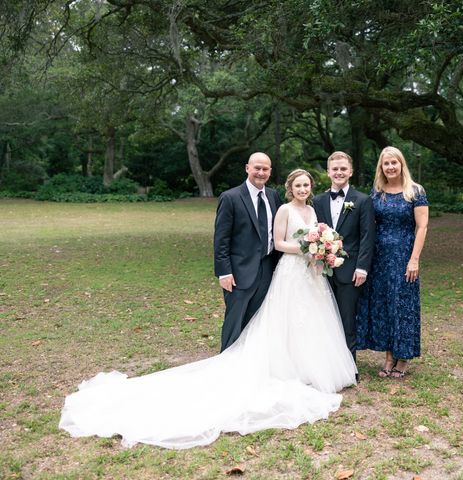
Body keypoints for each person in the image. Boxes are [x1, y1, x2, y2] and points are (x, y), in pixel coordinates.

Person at [59, 169, 357, 449]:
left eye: (306, 185)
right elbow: (278, 242)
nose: (303, 189)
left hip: (309, 275)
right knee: (283, 320)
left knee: (310, 321)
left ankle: (309, 368)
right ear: (289, 188)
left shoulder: (311, 210)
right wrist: (308, 246)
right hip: (291, 271)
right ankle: (270, 364)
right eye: (297, 185)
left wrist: (321, 252)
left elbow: (306, 237)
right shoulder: (282, 208)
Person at [356, 146, 429, 378]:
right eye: (386, 163)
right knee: (385, 305)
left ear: (401, 164)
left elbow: (422, 226)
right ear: (381, 167)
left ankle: (403, 358)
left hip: (404, 255)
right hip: (380, 258)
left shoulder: (415, 191)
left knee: (403, 305)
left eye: (393, 163)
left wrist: (414, 260)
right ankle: (389, 356)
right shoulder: (378, 192)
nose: (390, 167)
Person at [314, 151, 375, 376]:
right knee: (324, 318)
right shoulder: (318, 200)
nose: (339, 172)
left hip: (350, 271)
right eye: (335, 169)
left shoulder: (362, 200)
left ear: (350, 172)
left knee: (347, 319)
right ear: (328, 172)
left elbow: (368, 237)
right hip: (322, 271)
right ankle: (326, 365)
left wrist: (362, 268)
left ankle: (349, 369)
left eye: (343, 169)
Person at [214, 152, 282, 351]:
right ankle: (226, 361)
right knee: (235, 320)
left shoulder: (273, 196)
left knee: (257, 320)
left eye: (265, 169)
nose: (260, 173)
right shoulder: (230, 197)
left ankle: (248, 361)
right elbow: (221, 239)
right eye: (257, 168)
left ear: (270, 171)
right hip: (238, 271)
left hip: (267, 267)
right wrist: (224, 272)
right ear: (247, 168)